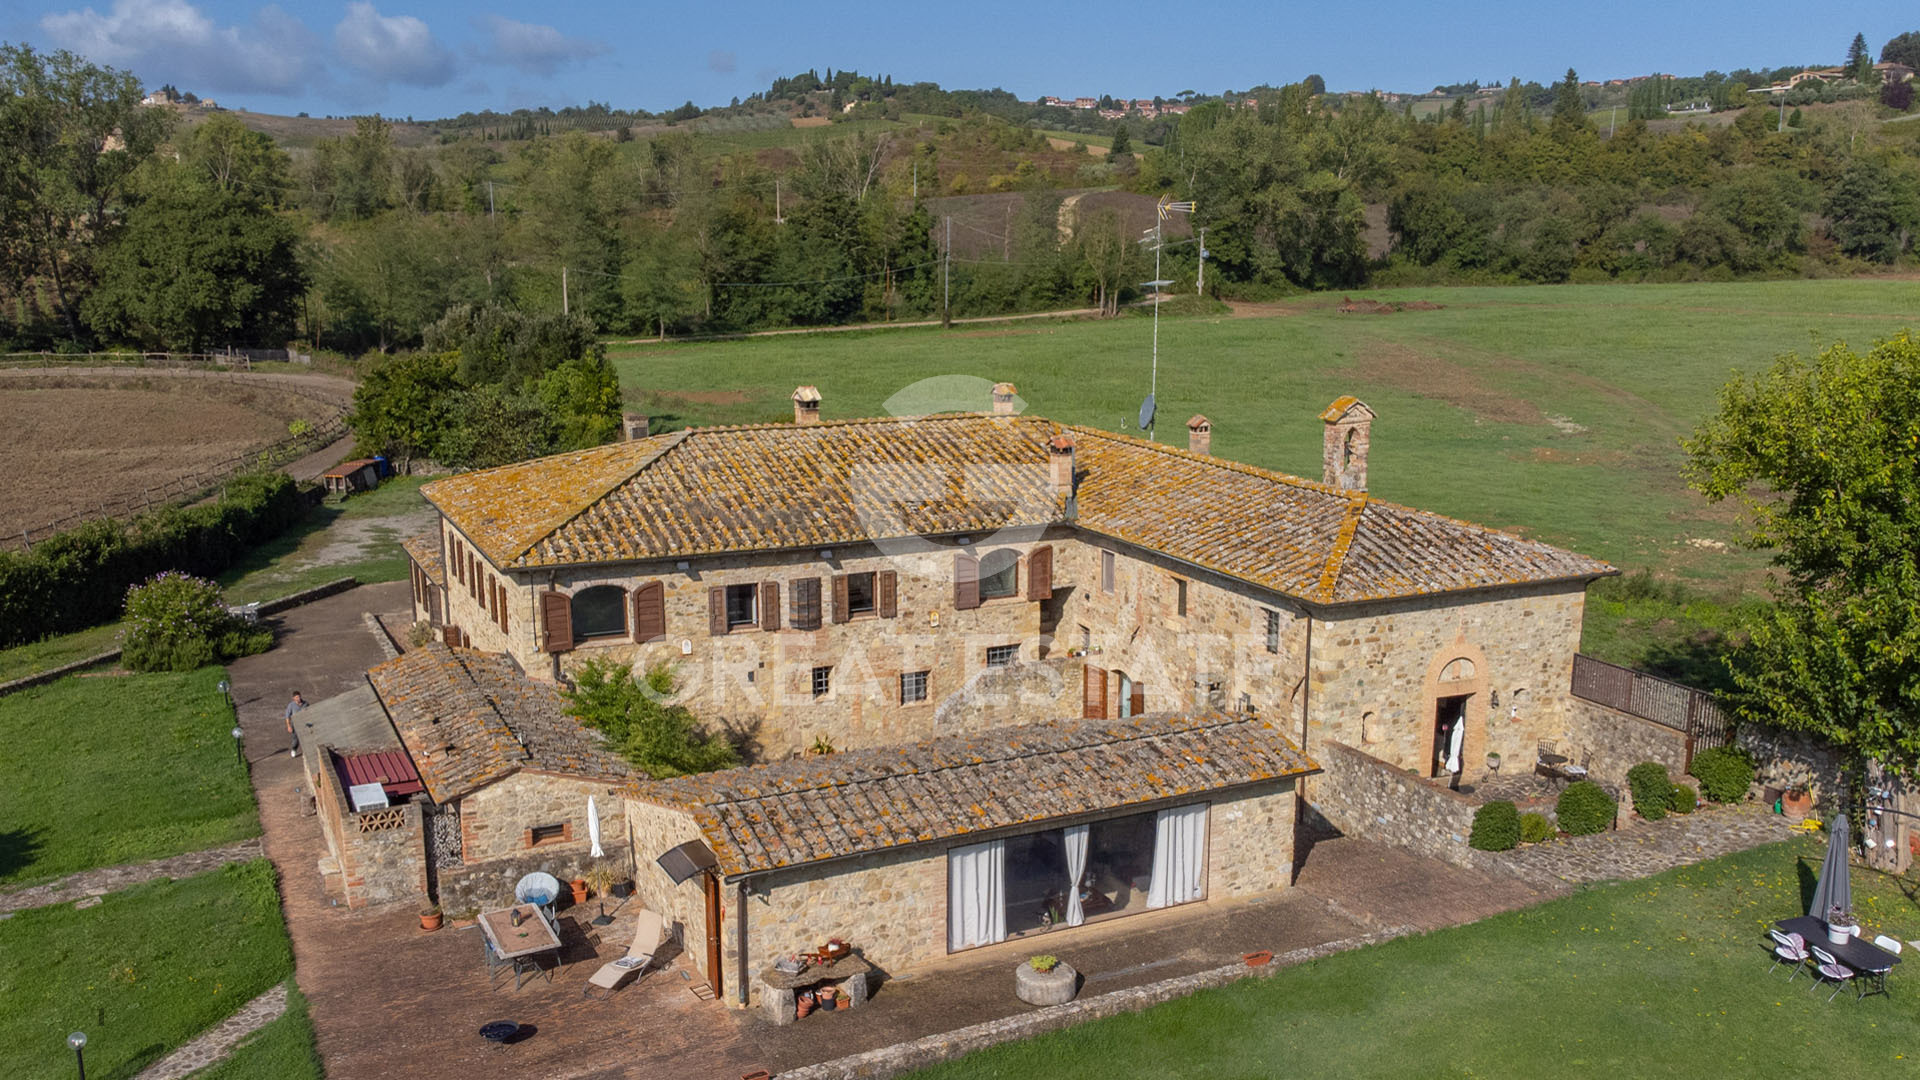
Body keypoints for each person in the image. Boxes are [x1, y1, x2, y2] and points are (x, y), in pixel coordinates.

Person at [285, 692, 307, 757]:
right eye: (297, 697)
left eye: (299, 696)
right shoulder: (291, 705)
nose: (299, 698)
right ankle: (294, 749)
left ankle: (306, 752)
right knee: (296, 739)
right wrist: (288, 726)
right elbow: (287, 716)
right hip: (295, 725)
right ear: (293, 698)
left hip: (304, 724)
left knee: (306, 738)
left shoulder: (305, 703)